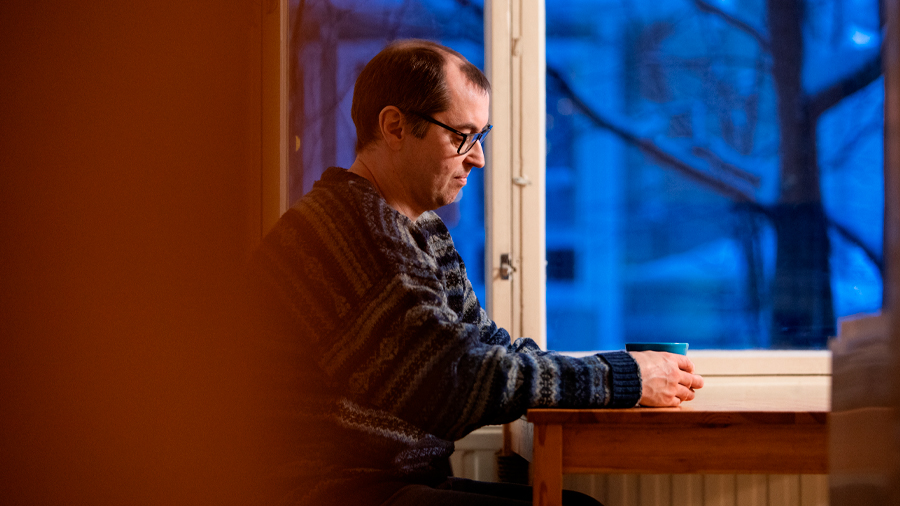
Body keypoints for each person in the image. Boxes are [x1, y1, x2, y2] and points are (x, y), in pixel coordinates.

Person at [249, 39, 704, 506]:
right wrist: (624, 378)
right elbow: (454, 378)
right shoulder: (347, 228)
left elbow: (488, 347)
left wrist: (632, 371)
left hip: (384, 482)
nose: (478, 158)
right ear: (394, 127)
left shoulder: (419, 230)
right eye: (462, 136)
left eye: (481, 137)